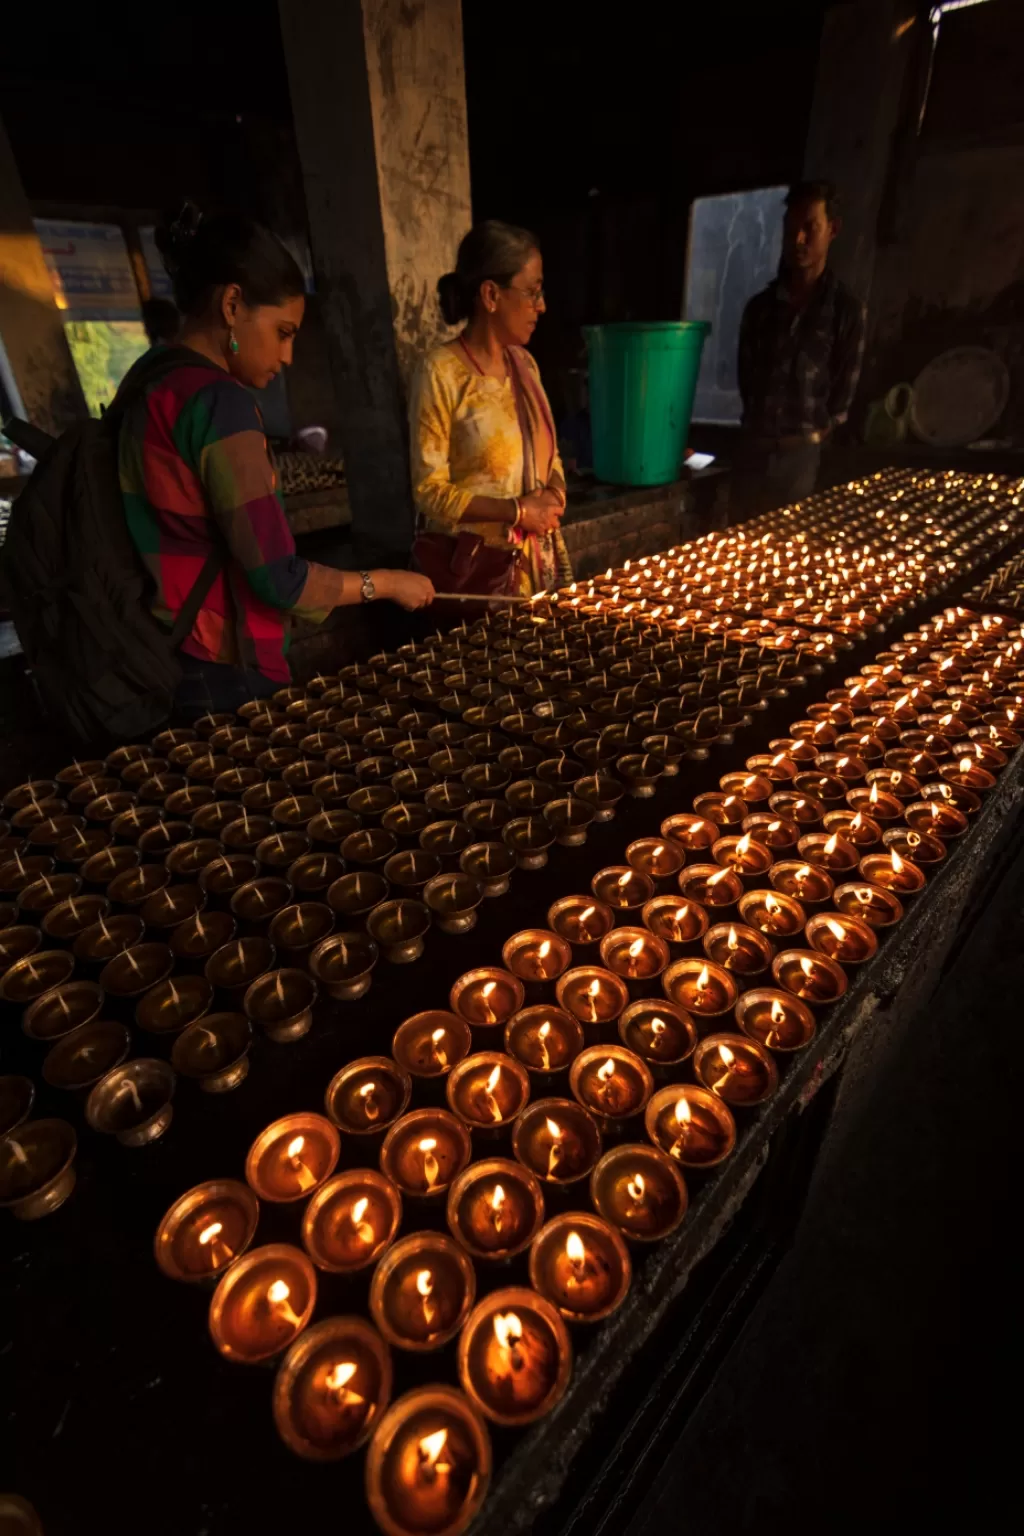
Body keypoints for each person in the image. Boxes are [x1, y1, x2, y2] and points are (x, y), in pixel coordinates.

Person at [118, 205, 432, 718]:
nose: (288, 357)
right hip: (223, 660)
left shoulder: (149, 380)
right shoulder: (220, 403)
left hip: (166, 646)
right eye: (284, 332)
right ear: (233, 304)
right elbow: (277, 578)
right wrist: (388, 582)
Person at [410, 220, 572, 595]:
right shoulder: (441, 372)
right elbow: (429, 491)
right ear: (490, 296)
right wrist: (516, 512)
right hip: (478, 574)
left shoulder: (526, 367)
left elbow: (553, 460)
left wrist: (554, 497)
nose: (541, 306)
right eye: (532, 293)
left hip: (536, 569)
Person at [734, 180, 866, 521]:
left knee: (791, 540)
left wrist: (810, 438)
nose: (798, 240)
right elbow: (747, 380)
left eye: (810, 227)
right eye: (791, 228)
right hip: (753, 454)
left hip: (802, 460)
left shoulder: (845, 311)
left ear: (832, 229)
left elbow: (842, 397)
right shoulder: (761, 310)